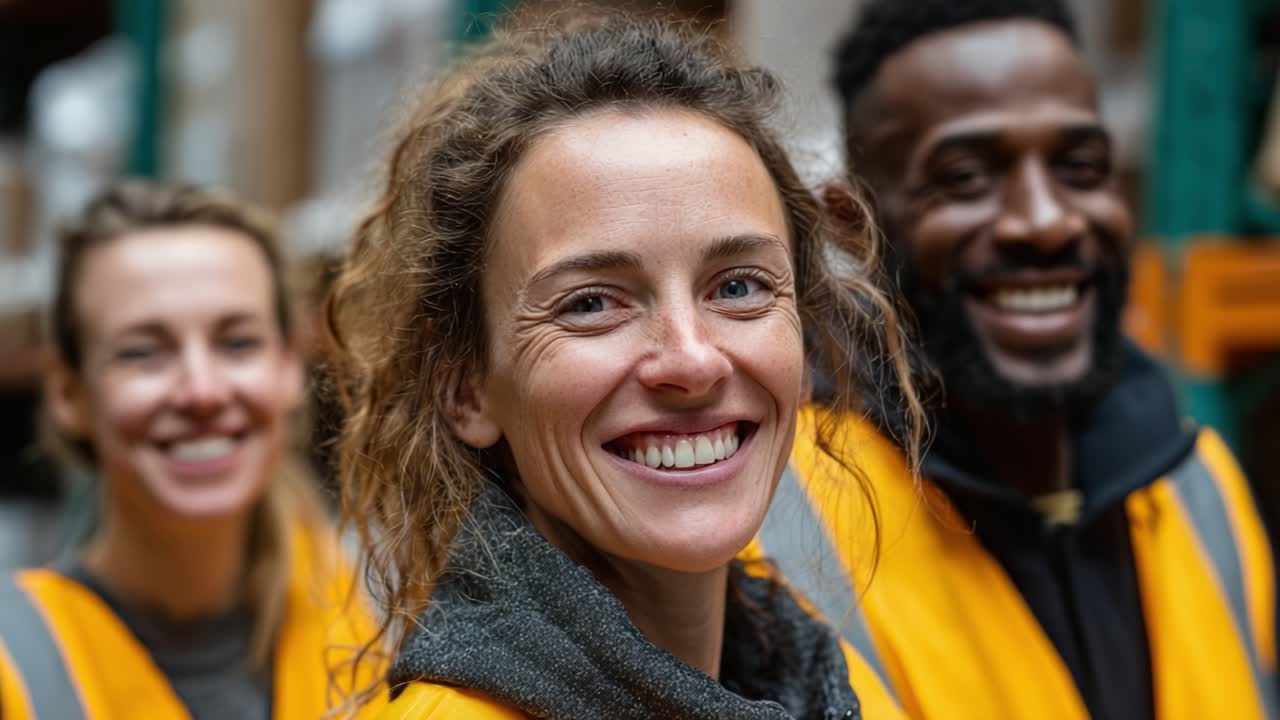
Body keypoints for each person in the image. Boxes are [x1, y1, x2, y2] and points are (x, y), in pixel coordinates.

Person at [325, 12, 926, 720]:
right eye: (591, 303)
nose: (693, 359)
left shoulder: (831, 685)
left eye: (738, 286)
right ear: (466, 387)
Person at [762, 1, 1280, 719]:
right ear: (853, 224)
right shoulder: (769, 518)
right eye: (966, 177)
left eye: (1080, 166)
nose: (1045, 220)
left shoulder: (1202, 487)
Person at [0, 182, 383, 720]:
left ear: (289, 370)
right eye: (143, 352)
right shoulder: (16, 664)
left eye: (238, 343)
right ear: (69, 394)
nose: (201, 391)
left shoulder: (358, 610)